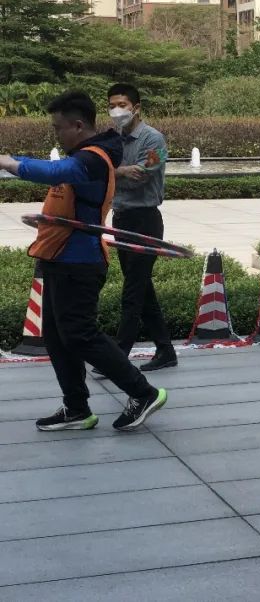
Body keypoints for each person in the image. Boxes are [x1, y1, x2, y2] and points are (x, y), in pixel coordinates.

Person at [0, 91, 168, 432]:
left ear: (78, 126)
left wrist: (8, 162)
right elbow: (69, 199)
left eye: (58, 128)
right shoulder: (84, 155)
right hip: (58, 255)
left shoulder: (94, 158)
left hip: (80, 261)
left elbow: (55, 172)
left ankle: (143, 392)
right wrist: (49, 221)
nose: (56, 134)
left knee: (79, 333)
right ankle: (76, 407)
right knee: (57, 337)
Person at [102, 83, 176, 372]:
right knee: (142, 289)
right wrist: (119, 171)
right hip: (121, 219)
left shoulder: (154, 139)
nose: (116, 111)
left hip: (145, 222)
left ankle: (117, 358)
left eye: (122, 105)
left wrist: (112, 172)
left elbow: (141, 175)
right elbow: (100, 170)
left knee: (132, 292)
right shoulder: (113, 138)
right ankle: (166, 350)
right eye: (111, 106)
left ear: (136, 108)